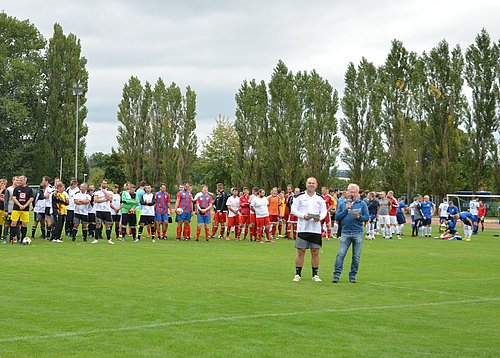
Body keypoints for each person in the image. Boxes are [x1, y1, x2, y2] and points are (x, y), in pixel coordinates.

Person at [290, 177, 327, 282]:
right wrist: (303, 216)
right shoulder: (299, 197)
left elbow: (324, 211)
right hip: (302, 228)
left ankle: (315, 274)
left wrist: (320, 217)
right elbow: (293, 210)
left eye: (313, 183)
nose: (311, 185)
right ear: (306, 184)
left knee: (315, 251)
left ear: (316, 185)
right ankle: (298, 274)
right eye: (309, 183)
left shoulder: (320, 198)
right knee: (301, 251)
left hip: (315, 229)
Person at [332, 183, 369, 284]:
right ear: (347, 192)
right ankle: (336, 275)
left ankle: (353, 275)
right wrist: (346, 210)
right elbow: (337, 217)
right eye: (351, 192)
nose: (353, 194)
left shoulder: (362, 204)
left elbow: (366, 217)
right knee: (340, 254)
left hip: (358, 232)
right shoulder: (342, 203)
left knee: (356, 256)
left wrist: (359, 217)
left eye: (354, 192)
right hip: (345, 232)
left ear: (358, 193)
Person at [10, 176, 34, 244]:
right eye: (19, 180)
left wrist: (25, 205)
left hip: (25, 209)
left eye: (21, 180)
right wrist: (19, 205)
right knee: (13, 223)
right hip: (16, 209)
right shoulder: (16, 188)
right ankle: (12, 238)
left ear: (25, 181)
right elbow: (14, 198)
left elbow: (31, 198)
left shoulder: (29, 189)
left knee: (24, 224)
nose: (19, 182)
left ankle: (23, 238)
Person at [92, 179, 115, 244]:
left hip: (107, 210)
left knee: (107, 225)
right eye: (103, 183)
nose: (104, 184)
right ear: (101, 184)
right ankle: (96, 239)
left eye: (105, 183)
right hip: (99, 210)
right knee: (98, 225)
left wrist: (105, 192)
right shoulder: (97, 192)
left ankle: (109, 239)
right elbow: (95, 200)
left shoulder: (110, 192)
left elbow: (110, 198)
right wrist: (105, 200)